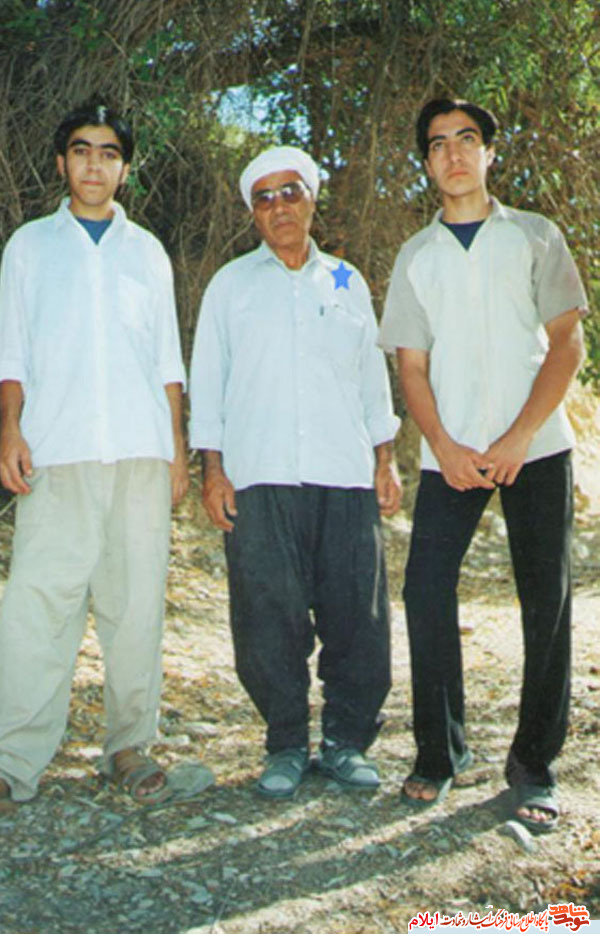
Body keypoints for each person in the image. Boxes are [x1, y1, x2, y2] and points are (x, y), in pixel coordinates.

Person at [379, 98, 587, 832]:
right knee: (424, 589)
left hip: (537, 448)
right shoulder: (417, 256)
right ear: (426, 164)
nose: (454, 154)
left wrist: (519, 436)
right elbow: (411, 368)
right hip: (454, 456)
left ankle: (534, 766)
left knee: (546, 602)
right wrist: (442, 446)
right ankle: (440, 753)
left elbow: (567, 344)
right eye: (438, 144)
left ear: (491, 152)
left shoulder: (535, 235)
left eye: (467, 139)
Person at [189, 145, 402, 798]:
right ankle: (285, 742)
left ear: (312, 199)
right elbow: (209, 383)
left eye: (291, 192)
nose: (279, 206)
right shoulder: (231, 286)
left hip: (344, 472)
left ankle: (345, 742)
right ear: (252, 211)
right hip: (260, 473)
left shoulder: (345, 281)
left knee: (357, 614)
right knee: (267, 616)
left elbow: (371, 378)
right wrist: (213, 471)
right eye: (265, 197)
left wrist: (386, 460)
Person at [0, 97, 190, 807]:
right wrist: (10, 431)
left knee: (135, 603)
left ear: (125, 169)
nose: (94, 164)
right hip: (58, 448)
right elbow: (11, 353)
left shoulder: (147, 253)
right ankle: (14, 759)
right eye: (82, 150)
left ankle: (129, 746)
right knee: (38, 604)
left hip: (140, 451)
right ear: (61, 162)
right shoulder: (29, 247)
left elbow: (167, 360)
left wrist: (177, 450)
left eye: (109, 153)